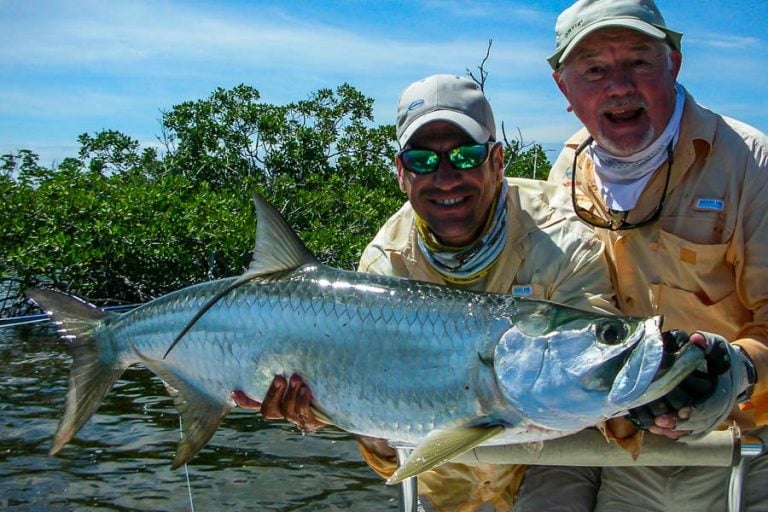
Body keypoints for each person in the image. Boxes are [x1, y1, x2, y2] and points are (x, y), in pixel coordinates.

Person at [237, 73, 620, 511]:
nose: (445, 177)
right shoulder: (385, 265)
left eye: (465, 155)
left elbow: (591, 374)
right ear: (401, 173)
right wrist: (325, 410)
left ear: (497, 161)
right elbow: (384, 441)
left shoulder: (566, 243)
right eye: (422, 161)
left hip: (549, 469)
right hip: (443, 483)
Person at [527, 0, 768, 510]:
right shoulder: (566, 172)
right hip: (627, 448)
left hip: (746, 445)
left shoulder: (752, 161)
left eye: (638, 60)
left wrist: (735, 371)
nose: (618, 86)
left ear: (674, 63)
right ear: (563, 88)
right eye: (593, 69)